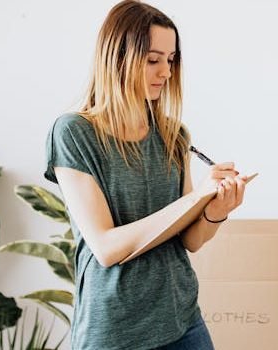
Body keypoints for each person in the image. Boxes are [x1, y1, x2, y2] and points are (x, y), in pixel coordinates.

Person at [43, 1, 248, 349]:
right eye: (153, 60)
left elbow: (190, 241)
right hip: (114, 331)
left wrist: (216, 210)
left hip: (182, 322)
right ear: (117, 58)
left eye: (171, 60)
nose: (166, 72)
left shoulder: (174, 135)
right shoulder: (74, 133)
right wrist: (196, 197)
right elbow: (106, 248)